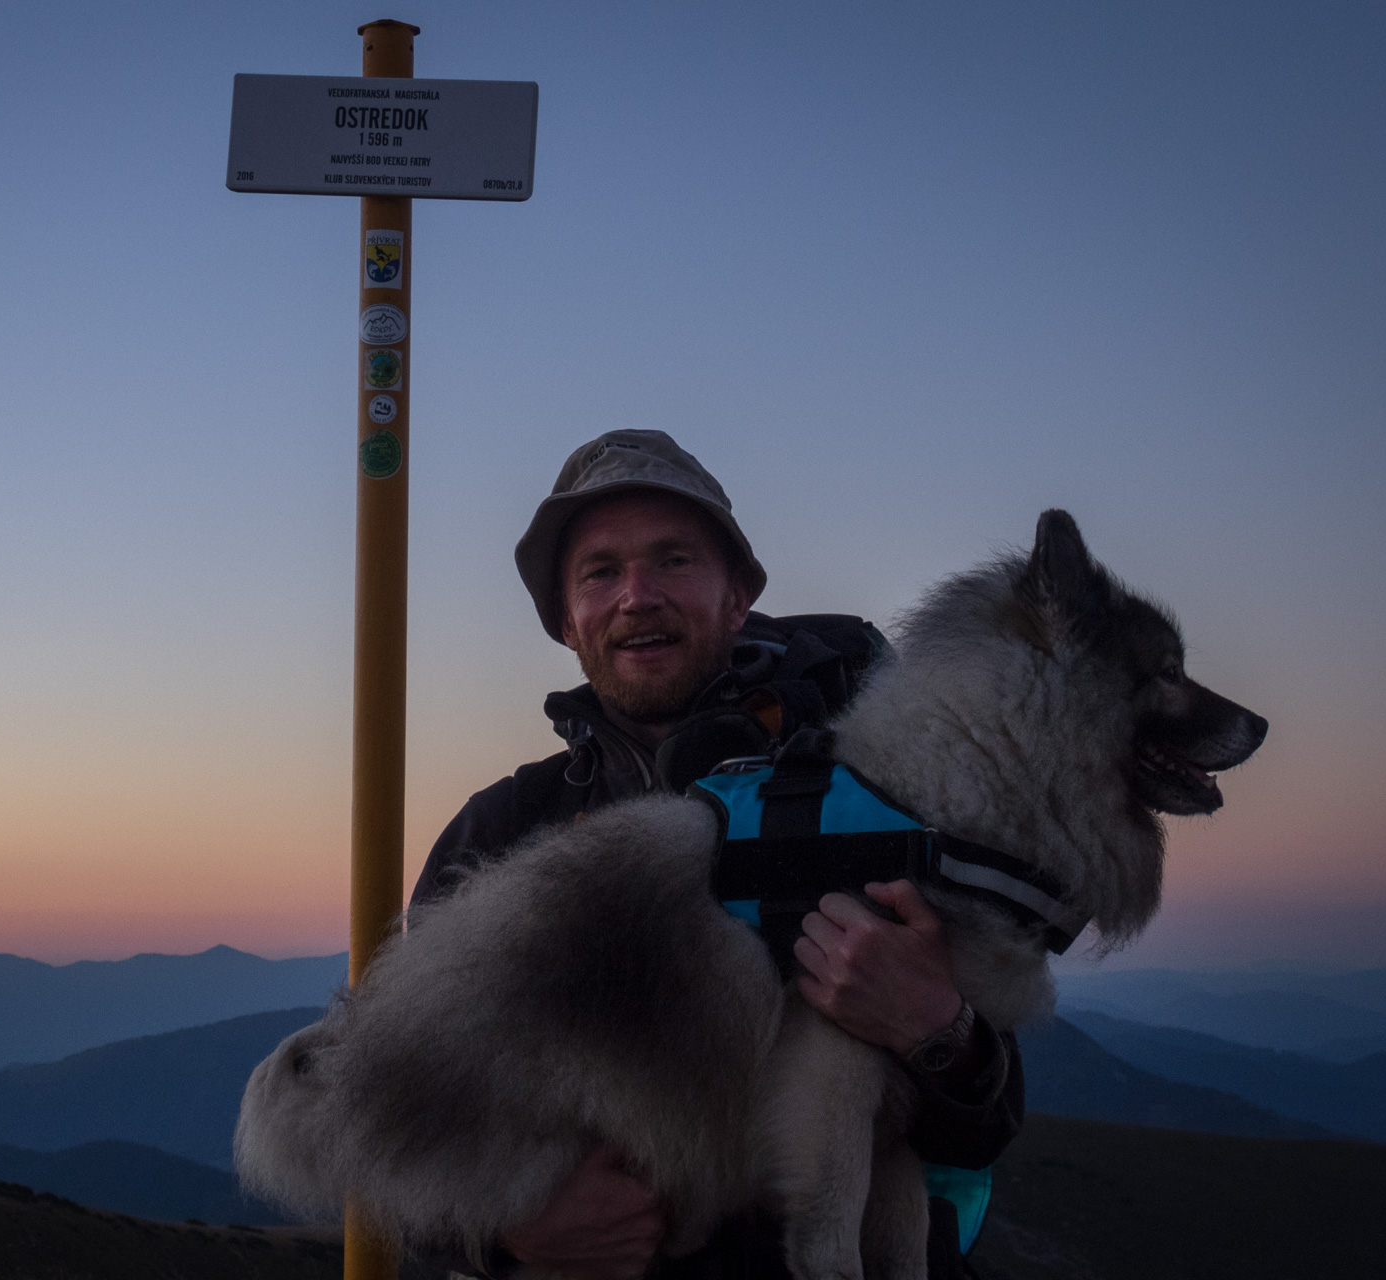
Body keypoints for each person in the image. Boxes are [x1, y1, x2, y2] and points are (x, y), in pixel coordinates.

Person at [411, 430, 1022, 1280]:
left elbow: (987, 1124)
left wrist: (938, 1030)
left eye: (673, 561)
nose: (638, 596)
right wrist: (507, 1233)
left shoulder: (880, 802)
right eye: (600, 572)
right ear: (564, 619)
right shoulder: (502, 834)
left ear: (737, 596)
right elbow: (407, 1113)